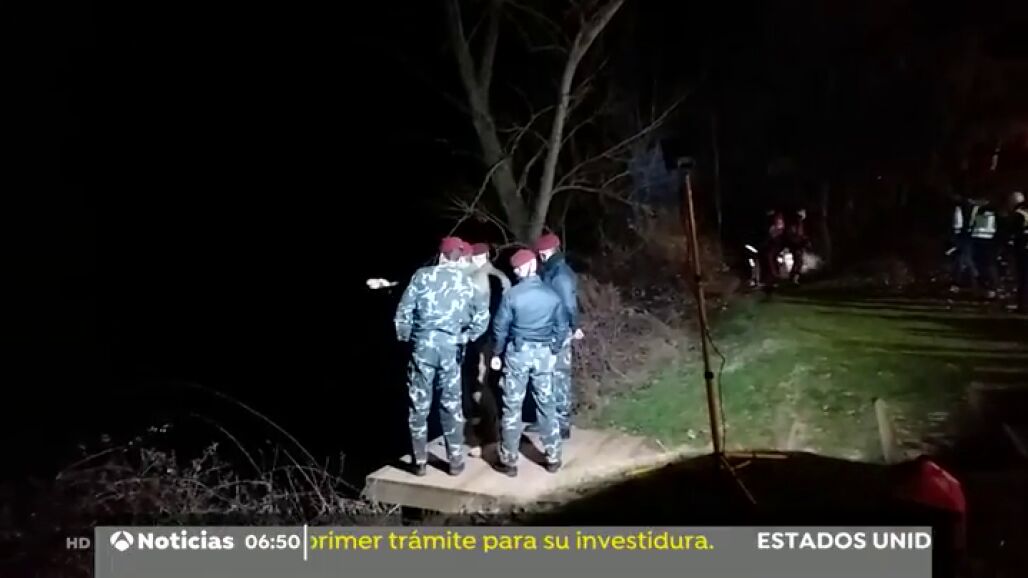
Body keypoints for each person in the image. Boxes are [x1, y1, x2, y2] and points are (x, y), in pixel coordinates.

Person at [394, 236, 489, 477]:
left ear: (441, 255)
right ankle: (455, 461)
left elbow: (404, 311)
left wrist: (407, 336)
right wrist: (467, 336)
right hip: (451, 348)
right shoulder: (467, 282)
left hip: (423, 347)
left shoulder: (422, 276)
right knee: (451, 405)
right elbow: (482, 317)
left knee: (419, 404)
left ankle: (419, 461)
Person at [490, 249, 570, 477]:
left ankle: (509, 461)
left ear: (525, 268)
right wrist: (554, 348)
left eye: (517, 269)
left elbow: (500, 327)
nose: (515, 272)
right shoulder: (551, 295)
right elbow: (562, 326)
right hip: (544, 354)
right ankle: (553, 457)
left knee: (512, 406)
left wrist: (496, 352)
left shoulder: (512, 295)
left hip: (518, 353)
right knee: (546, 404)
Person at [463, 242, 512, 447]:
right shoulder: (502, 277)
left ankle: (489, 434)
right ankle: (493, 428)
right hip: (496, 339)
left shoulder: (477, 278)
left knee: (479, 386)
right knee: (492, 383)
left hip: (481, 339)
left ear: (478, 258)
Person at [534, 232, 581, 440]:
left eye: (542, 252)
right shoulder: (551, 270)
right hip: (550, 329)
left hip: (559, 331)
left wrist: (574, 326)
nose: (540, 255)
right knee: (550, 376)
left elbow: (569, 304)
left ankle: (562, 423)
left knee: (560, 376)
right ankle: (548, 420)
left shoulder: (560, 275)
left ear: (550, 250)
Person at [949, 194, 980, 294]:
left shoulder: (966, 209)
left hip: (967, 237)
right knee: (964, 259)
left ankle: (965, 282)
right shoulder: (964, 209)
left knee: (964, 259)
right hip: (965, 237)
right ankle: (969, 282)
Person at [970, 197, 1000, 299]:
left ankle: (989, 289)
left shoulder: (985, 210)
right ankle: (987, 289)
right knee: (985, 265)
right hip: (983, 239)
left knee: (986, 265)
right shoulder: (985, 210)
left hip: (984, 240)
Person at [1006, 191, 1028, 313]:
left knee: (1023, 278)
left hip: (1023, 250)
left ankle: (1023, 305)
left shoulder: (1019, 214)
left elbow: (1011, 232)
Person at [759, 210, 787, 286]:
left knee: (771, 257)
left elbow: (778, 232)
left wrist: (773, 238)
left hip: (776, 242)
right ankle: (771, 276)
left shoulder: (777, 221)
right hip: (771, 243)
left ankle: (774, 275)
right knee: (769, 258)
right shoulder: (770, 223)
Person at [784, 208, 811, 284]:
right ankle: (794, 278)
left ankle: (794, 278)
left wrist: (805, 240)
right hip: (796, 245)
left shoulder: (800, 223)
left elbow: (801, 234)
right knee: (798, 262)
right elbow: (794, 235)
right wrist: (800, 241)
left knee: (799, 262)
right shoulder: (795, 224)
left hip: (798, 244)